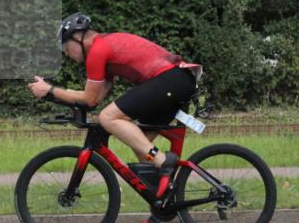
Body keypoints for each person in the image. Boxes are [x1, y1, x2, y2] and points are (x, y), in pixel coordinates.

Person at [27, 13, 200, 179]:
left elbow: (89, 99)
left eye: (64, 47)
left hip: (170, 79)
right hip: (175, 80)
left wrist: (50, 90)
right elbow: (95, 98)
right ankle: (165, 200)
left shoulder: (97, 50)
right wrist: (55, 93)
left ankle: (164, 162)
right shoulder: (103, 46)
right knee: (140, 145)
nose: (65, 53)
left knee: (108, 117)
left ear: (77, 38)